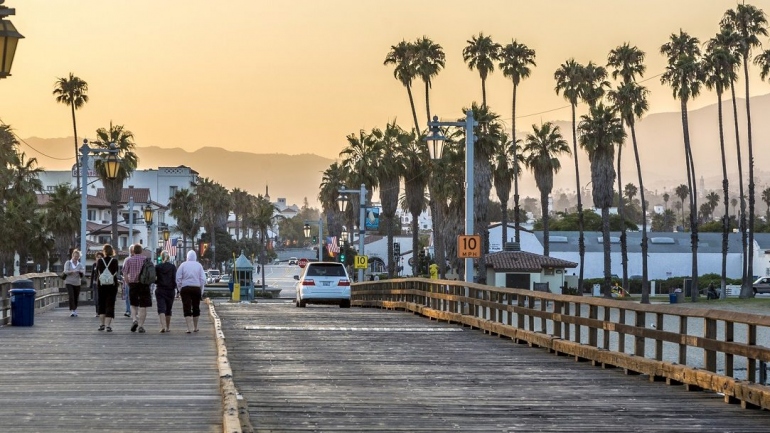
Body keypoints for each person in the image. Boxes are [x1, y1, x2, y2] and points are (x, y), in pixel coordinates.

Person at [122, 244, 152, 333]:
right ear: (141, 251)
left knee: (133, 304)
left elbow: (124, 273)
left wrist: (128, 283)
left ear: (133, 251)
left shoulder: (129, 260)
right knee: (143, 306)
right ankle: (141, 326)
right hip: (144, 285)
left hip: (133, 284)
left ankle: (134, 319)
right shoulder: (146, 260)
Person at [175, 250, 207, 334]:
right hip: (196, 288)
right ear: (195, 257)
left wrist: (179, 289)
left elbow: (178, 278)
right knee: (196, 307)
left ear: (187, 257)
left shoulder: (183, 265)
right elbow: (203, 279)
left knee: (187, 307)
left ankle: (189, 328)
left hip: (185, 288)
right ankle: (195, 327)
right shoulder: (199, 265)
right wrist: (201, 290)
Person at [95, 244, 119, 332]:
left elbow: (97, 272)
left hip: (101, 285)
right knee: (110, 304)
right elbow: (116, 272)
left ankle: (102, 324)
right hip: (112, 285)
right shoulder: (115, 261)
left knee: (101, 304)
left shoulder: (100, 261)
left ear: (104, 251)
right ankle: (108, 325)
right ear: (111, 251)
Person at [155, 250, 177, 333]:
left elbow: (155, 278)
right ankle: (167, 327)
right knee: (168, 309)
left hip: (160, 289)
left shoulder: (158, 267)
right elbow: (174, 278)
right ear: (168, 257)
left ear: (161, 257)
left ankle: (163, 326)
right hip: (170, 290)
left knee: (161, 308)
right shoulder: (172, 267)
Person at [63, 249, 85, 317]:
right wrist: (71, 271)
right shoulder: (68, 263)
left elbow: (83, 272)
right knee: (71, 295)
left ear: (79, 257)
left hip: (77, 283)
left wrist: (80, 271)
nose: (76, 258)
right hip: (69, 282)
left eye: (77, 257)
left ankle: (75, 309)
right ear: (72, 256)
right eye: (75, 256)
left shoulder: (80, 265)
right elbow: (65, 271)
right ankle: (72, 310)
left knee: (76, 296)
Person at [90, 251, 104, 317]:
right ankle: (97, 312)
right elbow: (92, 274)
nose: (98, 258)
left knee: (100, 298)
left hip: (102, 284)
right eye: (97, 257)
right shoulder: (94, 265)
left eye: (100, 257)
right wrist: (90, 284)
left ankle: (101, 311)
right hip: (95, 283)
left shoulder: (103, 265)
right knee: (96, 298)